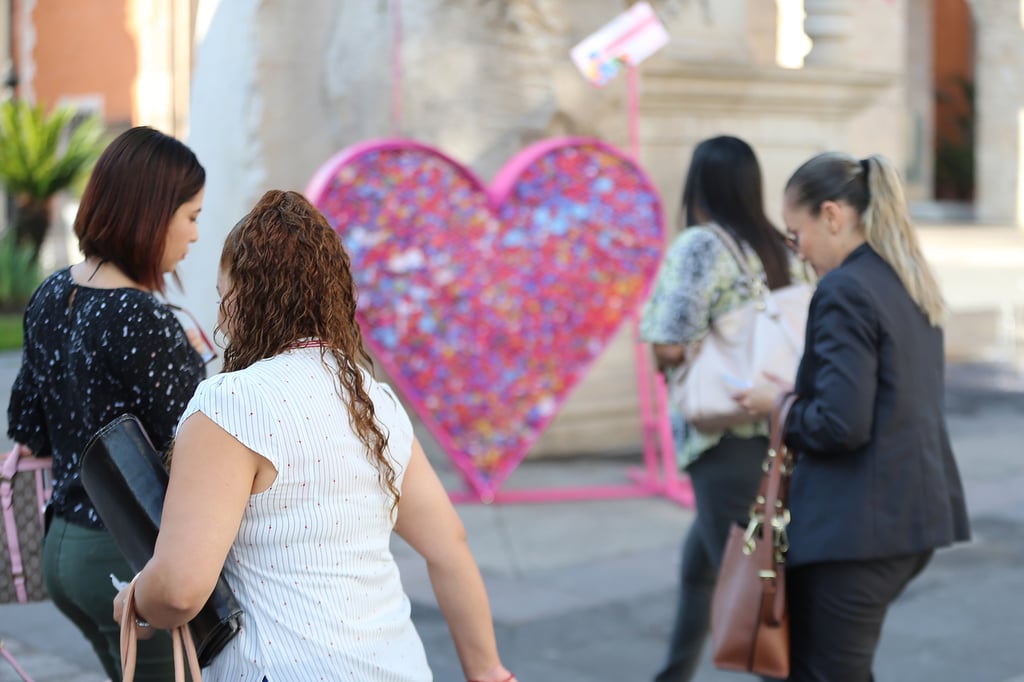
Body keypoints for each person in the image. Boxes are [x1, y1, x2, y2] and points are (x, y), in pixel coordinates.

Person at [112, 189, 516, 682]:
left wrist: (136, 598)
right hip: (396, 666)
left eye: (224, 299)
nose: (220, 319)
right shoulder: (374, 401)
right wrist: (488, 670)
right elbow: (449, 545)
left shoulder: (230, 403)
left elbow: (179, 589)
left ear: (250, 299)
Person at [735, 151, 971, 681]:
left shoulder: (844, 289)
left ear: (833, 215)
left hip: (858, 530)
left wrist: (776, 406)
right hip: (905, 519)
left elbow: (842, 425)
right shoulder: (902, 277)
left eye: (796, 235)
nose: (799, 253)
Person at [6, 126, 208, 680]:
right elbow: (200, 451)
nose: (194, 235)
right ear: (151, 213)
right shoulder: (143, 317)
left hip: (64, 550)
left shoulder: (51, 291)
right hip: (130, 556)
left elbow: (27, 424)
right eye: (191, 216)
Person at [639, 135, 810, 682]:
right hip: (779, 430)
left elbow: (667, 342)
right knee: (702, 569)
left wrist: (688, 354)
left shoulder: (699, 246)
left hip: (722, 439)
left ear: (699, 184)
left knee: (749, 588)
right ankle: (670, 675)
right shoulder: (783, 248)